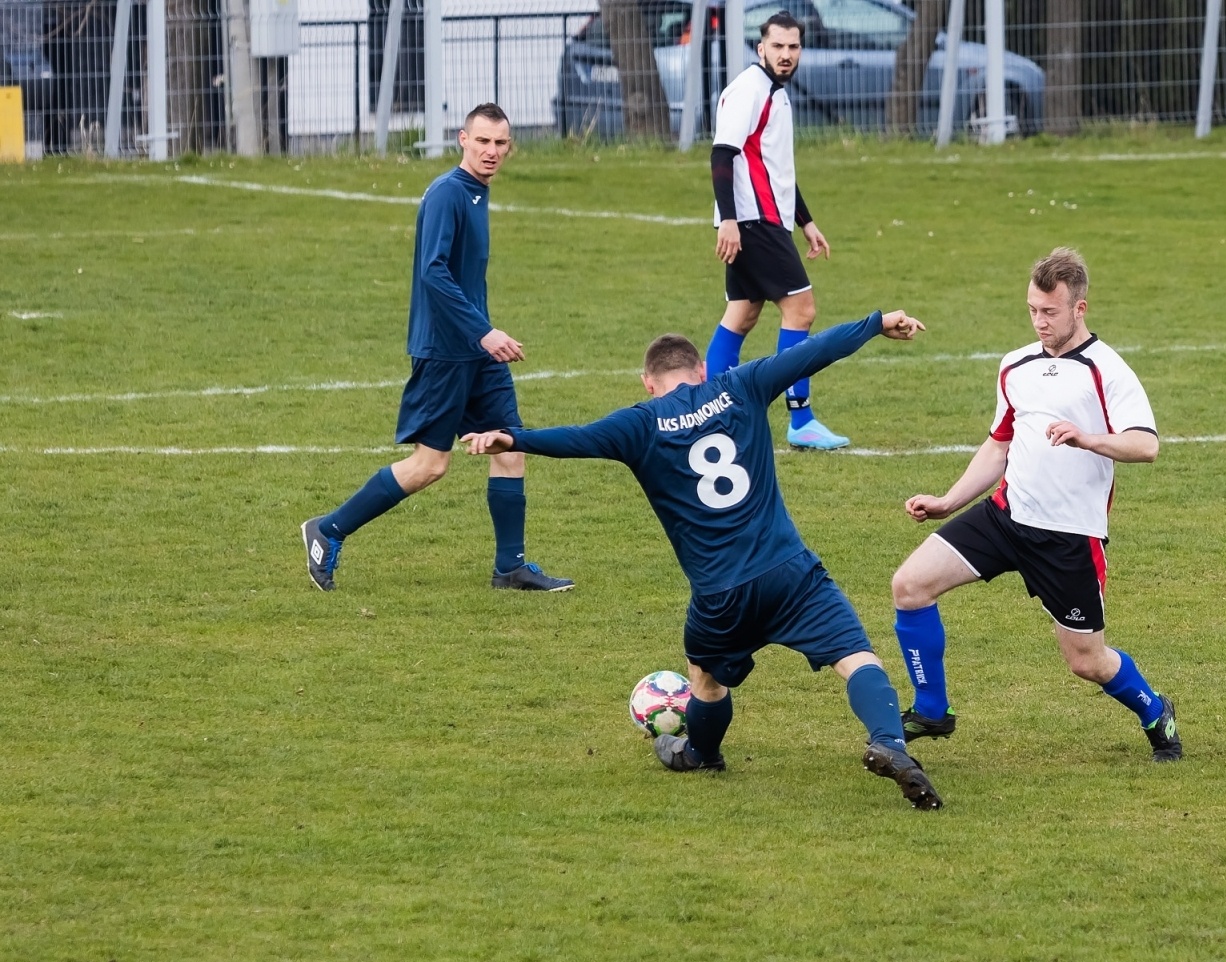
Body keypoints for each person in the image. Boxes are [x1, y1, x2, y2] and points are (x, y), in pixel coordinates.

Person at [462, 310, 943, 810]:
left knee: (705, 678)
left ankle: (700, 753)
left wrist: (513, 438)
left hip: (720, 594)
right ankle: (889, 742)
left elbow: (576, 438)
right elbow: (814, 350)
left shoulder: (639, 423)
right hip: (790, 572)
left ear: (648, 383)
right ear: (701, 371)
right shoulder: (741, 384)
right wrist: (876, 322)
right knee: (856, 657)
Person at [887, 247, 1182, 761]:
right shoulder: (1015, 365)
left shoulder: (1106, 370)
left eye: (1050, 311)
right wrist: (948, 501)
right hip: (1005, 517)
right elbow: (998, 444)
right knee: (909, 586)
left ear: (1079, 308)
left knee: (1086, 661)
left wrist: (1087, 438)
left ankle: (1156, 711)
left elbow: (1146, 445)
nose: (1040, 321)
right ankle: (932, 710)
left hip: (1068, 536)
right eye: (1032, 310)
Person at [301, 102, 572, 594]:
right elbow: (433, 272)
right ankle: (328, 530)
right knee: (430, 465)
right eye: (483, 141)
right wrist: (483, 332)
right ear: (462, 139)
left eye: (500, 143)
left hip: (478, 351)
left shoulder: (476, 192)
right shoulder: (449, 193)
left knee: (509, 444)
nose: (492, 151)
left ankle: (510, 567)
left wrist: (483, 336)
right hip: (446, 352)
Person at [702, 10, 849, 452]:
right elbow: (722, 155)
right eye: (778, 46)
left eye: (793, 47)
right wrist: (729, 220)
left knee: (742, 315)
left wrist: (806, 221)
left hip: (763, 220)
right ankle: (800, 419)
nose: (786, 54)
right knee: (801, 311)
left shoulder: (776, 92)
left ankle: (711, 414)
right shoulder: (748, 90)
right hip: (753, 222)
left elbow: (776, 168)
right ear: (761, 47)